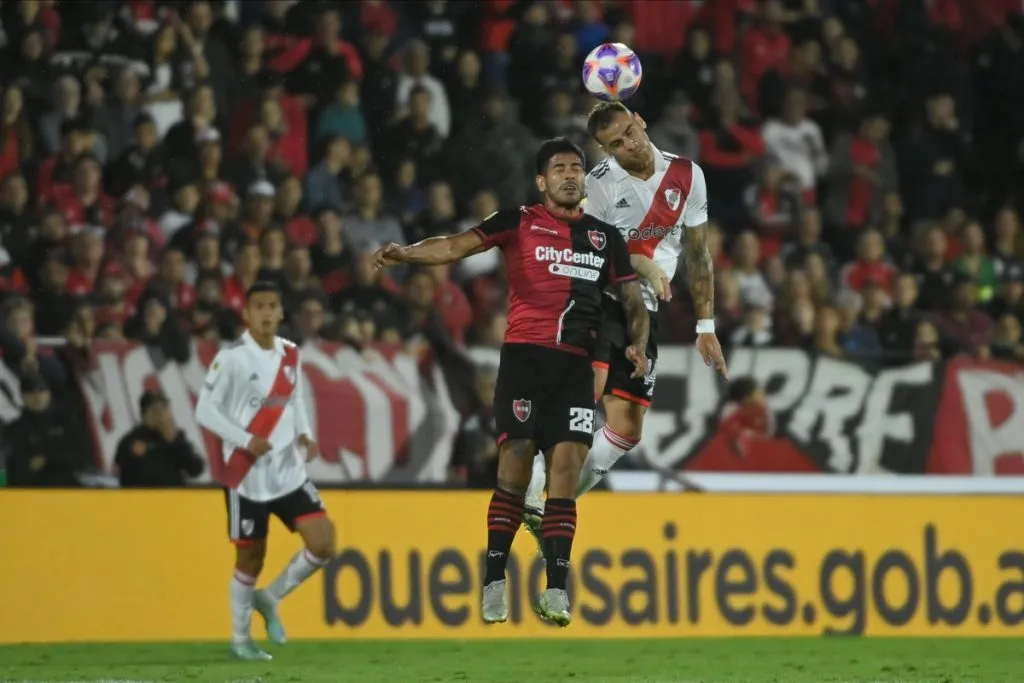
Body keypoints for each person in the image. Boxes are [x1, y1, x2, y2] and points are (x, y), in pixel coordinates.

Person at [371, 138, 650, 627]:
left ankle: (557, 590)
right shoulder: (516, 221)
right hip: (524, 361)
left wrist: (638, 345)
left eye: (576, 168)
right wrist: (405, 254)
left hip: (574, 369)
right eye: (559, 169)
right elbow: (455, 246)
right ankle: (495, 578)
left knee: (565, 474)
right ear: (541, 181)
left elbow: (630, 301)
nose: (570, 175)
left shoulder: (606, 239)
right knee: (515, 472)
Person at [524, 101, 727, 536]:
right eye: (614, 145)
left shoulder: (688, 176)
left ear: (642, 121)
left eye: (629, 134)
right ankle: (534, 480)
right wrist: (642, 264)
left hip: (644, 310)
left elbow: (697, 254)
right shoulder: (596, 186)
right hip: (600, 298)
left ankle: (554, 507)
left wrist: (705, 326)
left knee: (627, 429)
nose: (627, 146)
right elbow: (592, 255)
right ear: (604, 150)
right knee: (585, 394)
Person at [195, 281, 335, 661]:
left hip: (287, 470)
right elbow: (204, 410)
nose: (267, 313)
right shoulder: (232, 358)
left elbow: (295, 398)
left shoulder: (290, 354)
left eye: (273, 305)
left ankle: (270, 599)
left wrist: (305, 435)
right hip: (247, 475)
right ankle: (241, 640)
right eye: (259, 306)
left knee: (323, 543)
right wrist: (244, 439)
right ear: (247, 313)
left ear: (281, 312)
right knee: (250, 558)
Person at [115, 390, 205, 487]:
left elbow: (196, 469)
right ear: (144, 414)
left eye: (164, 408)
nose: (161, 415)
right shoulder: (131, 441)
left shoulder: (176, 437)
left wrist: (174, 442)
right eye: (155, 410)